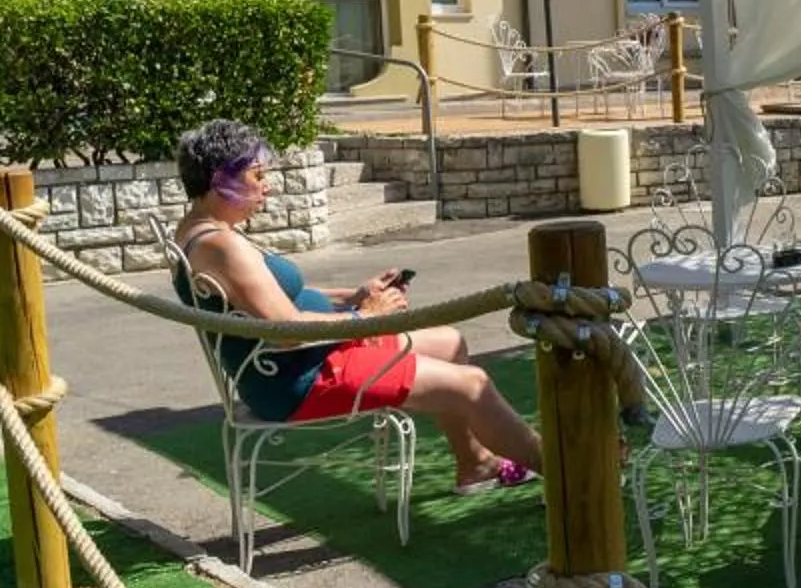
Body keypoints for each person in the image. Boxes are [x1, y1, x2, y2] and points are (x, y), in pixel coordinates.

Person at [172, 120, 540, 493]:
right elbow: (284, 332)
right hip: (299, 378)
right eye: (257, 174)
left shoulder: (202, 229)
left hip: (301, 359)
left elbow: (270, 296)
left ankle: (476, 465)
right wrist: (366, 316)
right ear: (221, 180)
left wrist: (352, 295)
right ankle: (567, 475)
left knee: (450, 342)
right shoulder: (221, 246)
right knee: (472, 385)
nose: (267, 185)